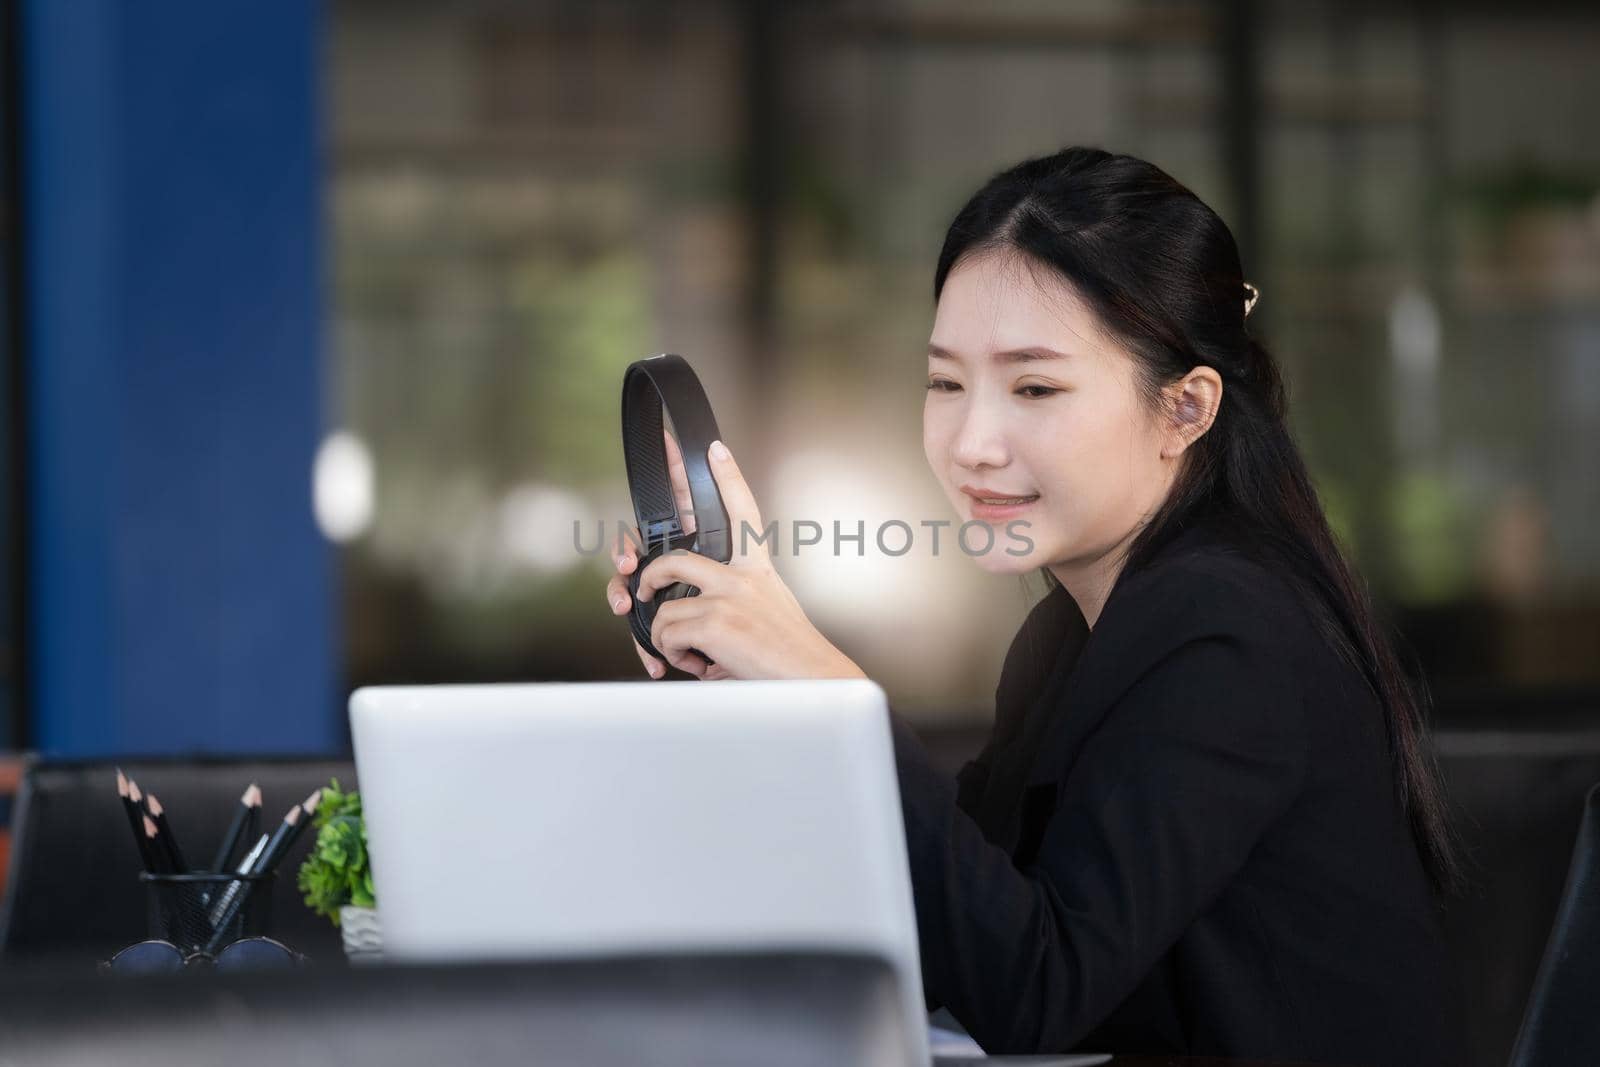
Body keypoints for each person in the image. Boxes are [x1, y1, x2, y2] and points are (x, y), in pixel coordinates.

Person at [603, 146, 1465, 1065]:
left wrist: (831, 691)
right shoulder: (1069, 631)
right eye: (944, 383)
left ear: (1186, 408)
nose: (972, 442)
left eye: (1035, 387)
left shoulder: (1227, 627)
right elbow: (958, 936)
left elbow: (1036, 991)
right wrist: (763, 695)